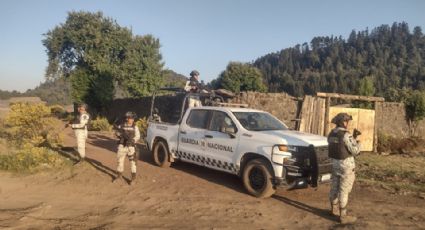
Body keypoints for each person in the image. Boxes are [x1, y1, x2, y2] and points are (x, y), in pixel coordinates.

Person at [327, 113, 361, 224]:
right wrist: (358, 142)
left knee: (334, 187)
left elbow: (339, 146)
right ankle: (343, 216)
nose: (348, 123)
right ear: (343, 122)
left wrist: (353, 138)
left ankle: (334, 209)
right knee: (344, 190)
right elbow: (355, 151)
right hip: (346, 166)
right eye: (347, 121)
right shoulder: (346, 135)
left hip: (334, 164)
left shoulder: (331, 134)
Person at [113, 111, 140, 185]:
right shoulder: (121, 126)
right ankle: (119, 177)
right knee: (120, 161)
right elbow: (116, 133)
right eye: (128, 118)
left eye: (131, 118)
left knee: (133, 163)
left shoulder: (135, 127)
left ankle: (133, 179)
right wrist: (118, 134)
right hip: (122, 146)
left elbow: (138, 136)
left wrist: (133, 140)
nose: (130, 120)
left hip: (131, 147)